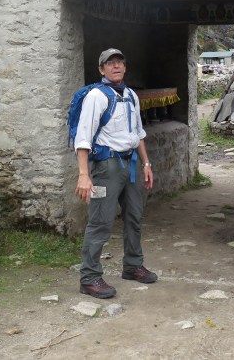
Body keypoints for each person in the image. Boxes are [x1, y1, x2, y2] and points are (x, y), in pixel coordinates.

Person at [74, 48, 157, 299]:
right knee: (101, 221)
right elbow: (83, 137)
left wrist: (146, 163)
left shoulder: (131, 95)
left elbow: (138, 133)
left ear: (125, 67)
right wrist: (83, 175)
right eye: (110, 63)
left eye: (120, 62)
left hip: (130, 164)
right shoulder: (96, 97)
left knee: (134, 216)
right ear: (101, 70)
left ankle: (132, 266)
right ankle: (89, 278)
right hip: (107, 166)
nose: (116, 66)